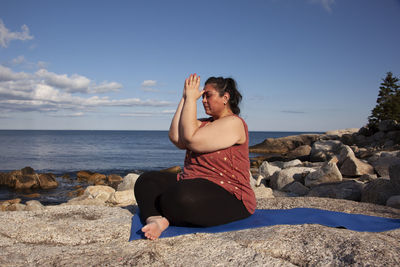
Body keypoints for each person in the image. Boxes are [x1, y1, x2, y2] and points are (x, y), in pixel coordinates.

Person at [134, 73, 256, 240]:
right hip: (192, 182)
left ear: (225, 98)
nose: (203, 100)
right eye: (202, 96)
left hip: (230, 195)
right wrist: (185, 98)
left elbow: (192, 140)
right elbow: (176, 138)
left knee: (180, 196)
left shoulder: (234, 123)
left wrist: (192, 100)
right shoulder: (204, 123)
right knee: (146, 181)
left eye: (208, 95)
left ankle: (169, 213)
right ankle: (157, 220)